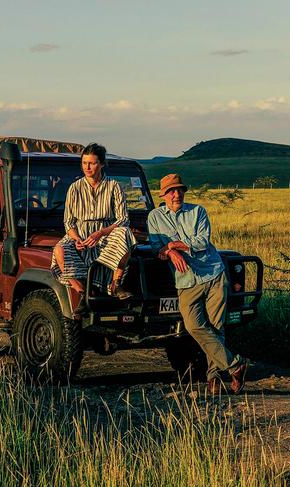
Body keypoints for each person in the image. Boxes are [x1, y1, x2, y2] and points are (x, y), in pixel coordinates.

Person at [147, 173, 248, 394]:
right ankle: (235, 365)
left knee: (216, 327)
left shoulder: (198, 211)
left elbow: (202, 242)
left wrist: (173, 245)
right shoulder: (154, 217)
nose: (177, 194)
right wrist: (169, 252)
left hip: (213, 273)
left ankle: (213, 379)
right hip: (185, 279)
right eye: (172, 191)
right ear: (163, 195)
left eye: (180, 190)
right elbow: (156, 247)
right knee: (194, 326)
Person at [51, 143, 136, 318]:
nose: (87, 167)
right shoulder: (74, 188)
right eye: (84, 163)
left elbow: (123, 219)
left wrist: (101, 233)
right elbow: (68, 222)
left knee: (125, 233)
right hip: (81, 233)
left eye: (92, 163)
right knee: (59, 250)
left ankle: (116, 283)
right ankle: (84, 292)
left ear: (102, 164)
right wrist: (76, 239)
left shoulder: (114, 186)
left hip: (105, 233)